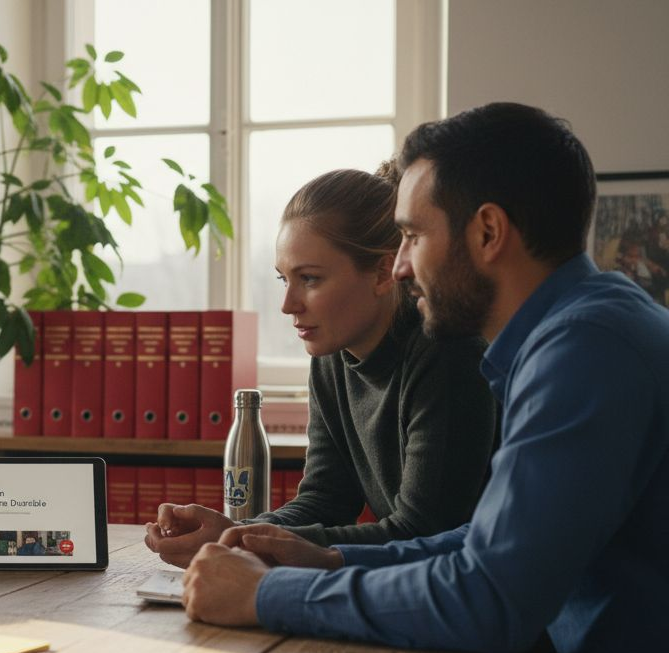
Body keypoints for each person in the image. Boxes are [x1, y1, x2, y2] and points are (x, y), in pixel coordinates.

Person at [179, 103, 669, 653]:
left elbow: (491, 596)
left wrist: (267, 594)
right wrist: (330, 559)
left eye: (412, 236)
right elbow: (489, 543)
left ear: (488, 232)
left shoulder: (585, 350)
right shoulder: (581, 329)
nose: (401, 267)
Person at [146, 166, 496, 566]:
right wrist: (233, 533)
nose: (288, 304)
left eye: (309, 279)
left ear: (383, 273)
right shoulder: (331, 355)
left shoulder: (448, 354)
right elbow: (325, 499)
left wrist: (245, 542)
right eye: (284, 280)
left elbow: (420, 532)